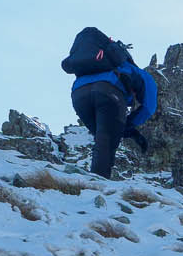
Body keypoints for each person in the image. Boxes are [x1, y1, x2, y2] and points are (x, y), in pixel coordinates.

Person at [61, 27, 158, 179]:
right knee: (106, 142)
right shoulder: (134, 70)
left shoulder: (94, 64)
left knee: (102, 140)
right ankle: (98, 188)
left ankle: (94, 182)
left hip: (79, 95)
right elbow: (148, 107)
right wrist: (130, 124)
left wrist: (125, 129)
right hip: (109, 93)